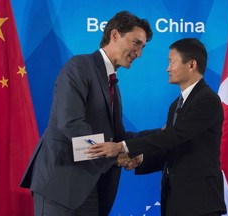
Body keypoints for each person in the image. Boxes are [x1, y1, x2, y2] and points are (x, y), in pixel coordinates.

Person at [20, 11, 153, 216]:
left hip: (90, 188)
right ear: (115, 35)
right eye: (136, 43)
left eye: (143, 47)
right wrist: (114, 157)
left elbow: (117, 136)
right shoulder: (79, 66)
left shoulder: (112, 84)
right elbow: (70, 123)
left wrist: (155, 138)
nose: (139, 53)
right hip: (61, 186)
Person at [86, 38, 227, 216]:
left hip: (200, 201)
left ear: (191, 64)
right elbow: (171, 148)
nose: (168, 68)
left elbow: (173, 136)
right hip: (174, 200)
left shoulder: (207, 100)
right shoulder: (176, 104)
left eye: (171, 62)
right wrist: (140, 159)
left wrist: (122, 147)